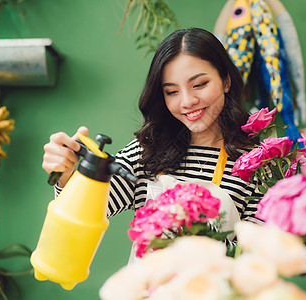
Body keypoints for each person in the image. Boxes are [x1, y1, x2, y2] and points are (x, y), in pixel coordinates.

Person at [42, 28, 263, 259]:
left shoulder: (254, 164)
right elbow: (86, 213)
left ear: (226, 81)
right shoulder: (147, 151)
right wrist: (67, 175)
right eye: (172, 91)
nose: (187, 101)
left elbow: (254, 258)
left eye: (199, 84)